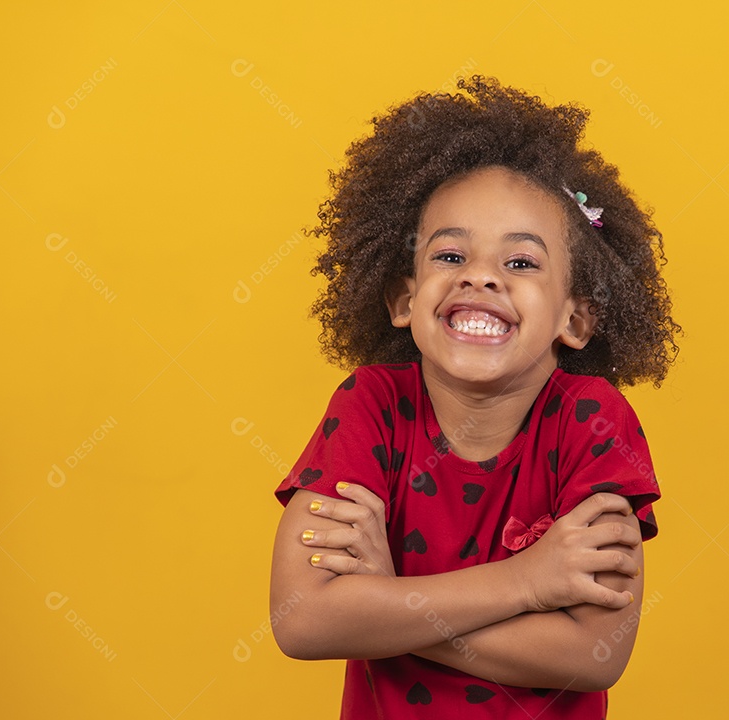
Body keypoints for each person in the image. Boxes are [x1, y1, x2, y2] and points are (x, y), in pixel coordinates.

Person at [269, 75, 680, 719]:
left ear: (575, 318)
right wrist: (526, 583)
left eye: (521, 263)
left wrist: (388, 600)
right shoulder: (370, 405)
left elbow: (596, 655)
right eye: (451, 253)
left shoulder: (592, 421)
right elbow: (306, 621)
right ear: (405, 299)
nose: (481, 274)